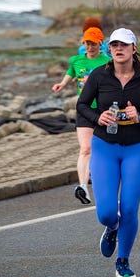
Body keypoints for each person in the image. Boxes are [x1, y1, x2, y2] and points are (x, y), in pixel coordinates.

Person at [77, 28, 140, 277]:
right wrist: (97, 116)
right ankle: (112, 227)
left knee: (128, 208)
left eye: (124, 44)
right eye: (114, 44)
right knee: (105, 212)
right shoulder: (99, 76)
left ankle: (123, 261)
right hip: (104, 146)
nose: (118, 48)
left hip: (137, 148)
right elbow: (81, 105)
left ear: (134, 49)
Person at [52, 26, 110, 205]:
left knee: (103, 150)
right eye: (87, 43)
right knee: (85, 148)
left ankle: (103, 179)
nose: (90, 47)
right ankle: (83, 187)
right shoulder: (76, 60)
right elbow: (71, 72)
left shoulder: (108, 61)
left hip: (103, 110)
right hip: (84, 109)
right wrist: (62, 84)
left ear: (101, 43)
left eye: (93, 43)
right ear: (83, 43)